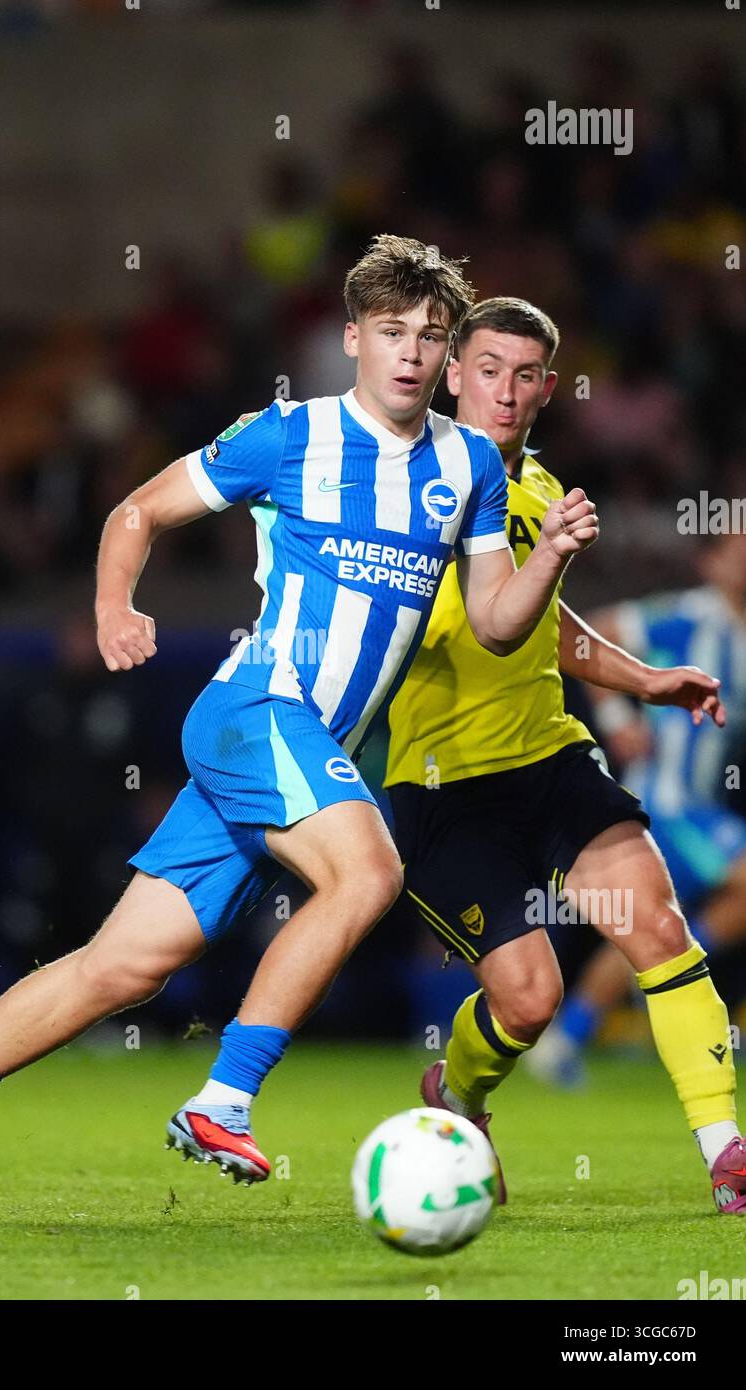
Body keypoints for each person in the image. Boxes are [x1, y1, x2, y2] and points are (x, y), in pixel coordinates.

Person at [0, 237, 598, 1218]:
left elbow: (499, 625)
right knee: (369, 871)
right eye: (391, 333)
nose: (412, 354)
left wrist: (545, 557)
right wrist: (114, 608)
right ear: (352, 340)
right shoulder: (289, 436)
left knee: (124, 965)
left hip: (299, 747)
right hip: (258, 709)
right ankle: (222, 1098)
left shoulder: (467, 465)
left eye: (428, 336)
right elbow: (136, 510)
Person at [385, 296, 745, 1214]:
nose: (505, 392)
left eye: (525, 374)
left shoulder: (541, 490)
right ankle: (458, 1097)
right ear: (453, 373)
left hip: (550, 758)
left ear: (548, 388)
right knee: (528, 1001)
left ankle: (726, 1153)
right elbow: (482, 626)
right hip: (444, 783)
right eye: (489, 369)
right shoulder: (393, 489)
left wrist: (644, 679)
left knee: (661, 930)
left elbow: (547, 631)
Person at [528, 532, 746, 1089]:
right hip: (667, 802)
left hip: (703, 805)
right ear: (712, 561)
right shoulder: (688, 615)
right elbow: (589, 632)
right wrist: (618, 717)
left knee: (648, 931)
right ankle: (680, 972)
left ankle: (567, 1038)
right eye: (738, 551)